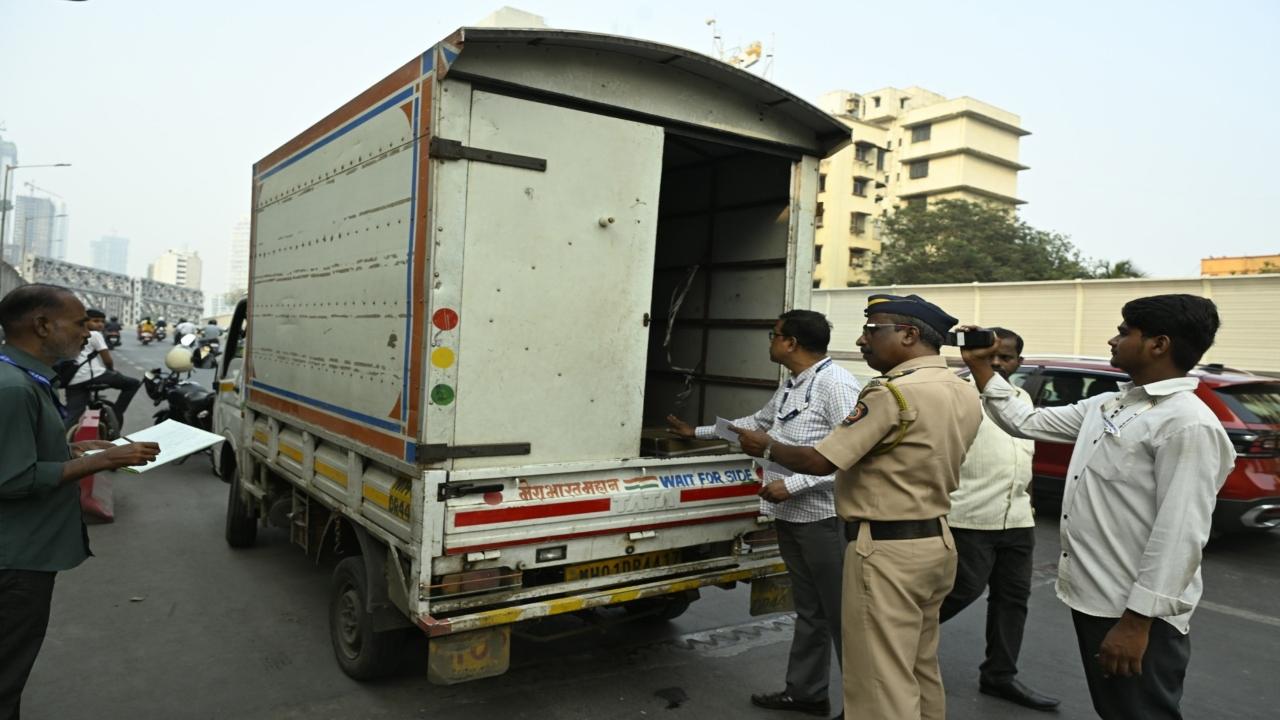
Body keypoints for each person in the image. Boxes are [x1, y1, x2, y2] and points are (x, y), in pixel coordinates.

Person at [960, 294, 1234, 720]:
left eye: (1125, 332)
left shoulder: (1187, 423)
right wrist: (981, 366)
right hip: (1098, 601)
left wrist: (1136, 623)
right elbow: (1026, 421)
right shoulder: (1113, 405)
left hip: (1134, 615)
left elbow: (1180, 534)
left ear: (1158, 345)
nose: (1113, 339)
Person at [733, 294, 982, 720]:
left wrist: (769, 445)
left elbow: (820, 460)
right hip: (935, 541)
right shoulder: (961, 390)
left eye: (873, 330)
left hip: (886, 549)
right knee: (918, 669)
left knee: (879, 683)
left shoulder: (891, 395)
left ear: (909, 334)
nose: (862, 340)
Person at [667, 310, 860, 717]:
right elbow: (756, 424)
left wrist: (791, 485)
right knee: (810, 612)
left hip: (824, 518)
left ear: (791, 343)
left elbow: (852, 456)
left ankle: (865, 708)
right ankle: (807, 693)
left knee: (843, 617)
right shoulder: (794, 383)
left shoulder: (837, 384)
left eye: (773, 335)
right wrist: (697, 433)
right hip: (791, 516)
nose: (769, 341)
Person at [0, 284, 160, 719]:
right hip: (17, 560)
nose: (87, 333)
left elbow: (24, 453)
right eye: (78, 324)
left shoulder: (23, 376)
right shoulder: (14, 387)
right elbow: (12, 477)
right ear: (42, 325)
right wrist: (105, 460)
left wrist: (79, 451)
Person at [939, 327, 1059, 711]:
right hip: (968, 515)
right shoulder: (955, 393)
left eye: (1005, 358)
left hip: (1018, 519)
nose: (997, 364)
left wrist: (1030, 504)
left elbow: (1024, 459)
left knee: (1013, 600)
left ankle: (999, 676)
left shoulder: (1019, 397)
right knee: (962, 591)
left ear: (1018, 363)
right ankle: (894, 648)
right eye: (990, 356)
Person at [63, 308, 143, 429]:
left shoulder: (70, 333)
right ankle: (116, 414)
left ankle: (62, 439)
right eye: (95, 321)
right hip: (93, 375)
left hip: (72, 380)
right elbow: (107, 359)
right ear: (85, 321)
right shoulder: (95, 335)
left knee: (73, 415)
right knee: (133, 384)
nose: (100, 324)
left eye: (102, 321)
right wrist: (111, 371)